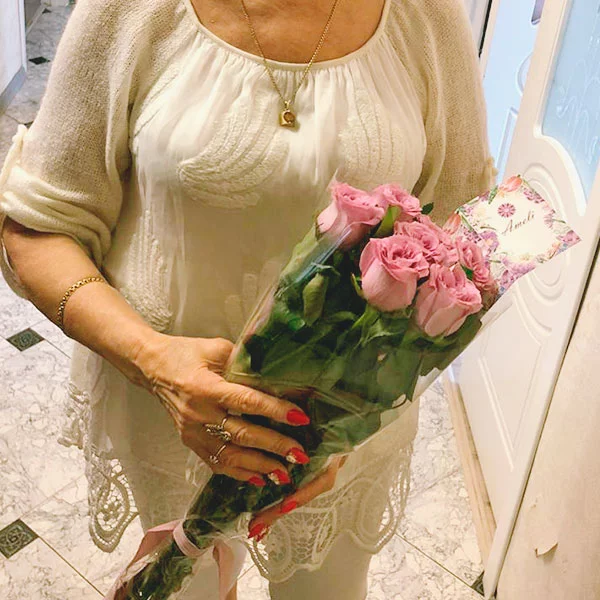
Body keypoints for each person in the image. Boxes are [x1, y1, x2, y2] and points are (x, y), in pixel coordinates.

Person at [0, 0, 496, 598]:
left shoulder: (428, 17)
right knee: (189, 586)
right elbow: (38, 226)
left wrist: (342, 424)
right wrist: (154, 363)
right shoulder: (128, 10)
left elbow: (464, 236)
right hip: (170, 414)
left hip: (343, 442)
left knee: (325, 590)